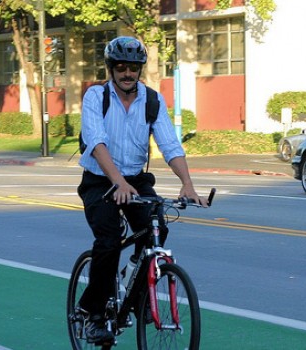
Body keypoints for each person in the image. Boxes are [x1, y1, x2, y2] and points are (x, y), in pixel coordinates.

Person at [76, 36, 208, 344]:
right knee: (108, 241)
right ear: (111, 68)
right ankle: (93, 313)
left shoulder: (151, 100)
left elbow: (169, 144)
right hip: (100, 180)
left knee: (157, 229)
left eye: (133, 68)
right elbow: (96, 143)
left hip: (135, 179)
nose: (127, 73)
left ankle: (137, 293)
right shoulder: (96, 97)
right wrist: (117, 182)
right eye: (121, 67)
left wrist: (187, 184)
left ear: (140, 70)